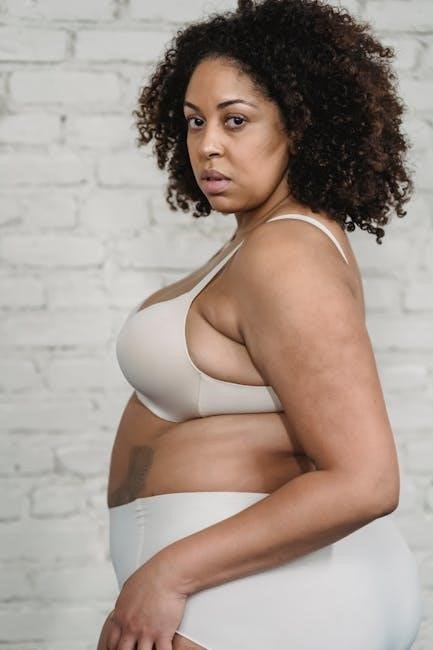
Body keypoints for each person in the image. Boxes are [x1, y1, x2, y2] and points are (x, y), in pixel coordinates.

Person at [98, 0, 423, 648]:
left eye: (235, 120)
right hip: (248, 589)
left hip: (259, 598)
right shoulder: (261, 244)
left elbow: (366, 480)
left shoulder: (286, 253)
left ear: (301, 126)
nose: (207, 145)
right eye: (195, 121)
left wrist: (167, 575)